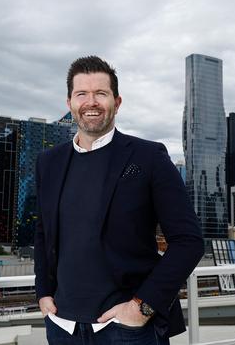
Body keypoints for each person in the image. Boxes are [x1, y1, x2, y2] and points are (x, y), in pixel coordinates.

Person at [35, 55, 204, 344]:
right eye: (82, 94)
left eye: (101, 93)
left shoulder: (148, 158)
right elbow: (43, 232)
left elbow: (189, 242)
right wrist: (43, 293)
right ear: (70, 103)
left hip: (127, 331)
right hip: (62, 326)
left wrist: (142, 308)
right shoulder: (49, 162)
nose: (92, 102)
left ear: (117, 101)